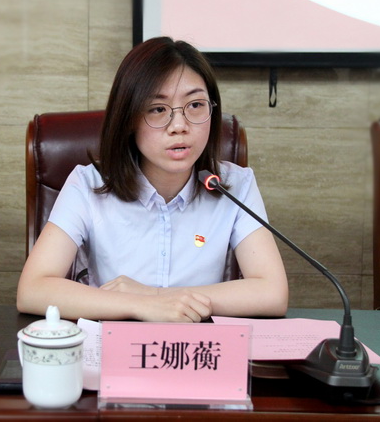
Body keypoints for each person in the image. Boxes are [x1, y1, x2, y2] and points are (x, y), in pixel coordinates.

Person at [17, 37, 288, 322]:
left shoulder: (235, 185)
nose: (180, 126)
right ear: (129, 119)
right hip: (115, 342)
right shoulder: (88, 185)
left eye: (196, 105)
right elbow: (33, 289)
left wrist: (155, 296)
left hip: (198, 345)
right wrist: (138, 305)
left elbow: (272, 293)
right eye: (158, 109)